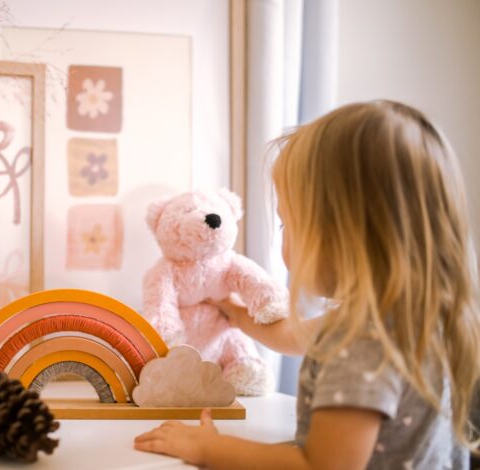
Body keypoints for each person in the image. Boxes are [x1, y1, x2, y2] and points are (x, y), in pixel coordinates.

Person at [134, 101, 480, 469]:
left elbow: (322, 466)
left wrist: (207, 449)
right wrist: (232, 310)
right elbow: (288, 336)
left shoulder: (364, 341)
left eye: (286, 224)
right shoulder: (421, 317)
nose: (283, 237)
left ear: (341, 232)